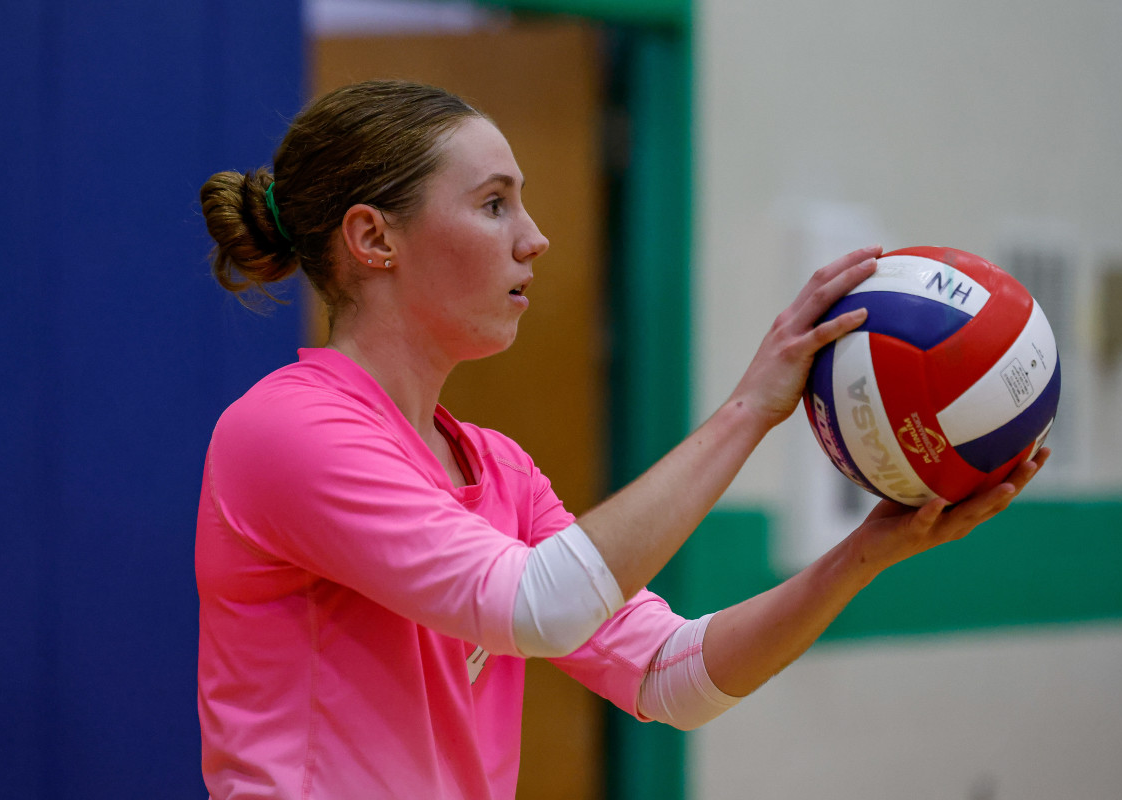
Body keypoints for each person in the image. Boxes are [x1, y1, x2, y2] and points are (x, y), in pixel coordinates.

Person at [196, 79, 1047, 800]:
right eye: (494, 203)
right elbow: (539, 605)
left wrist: (863, 553)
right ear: (374, 238)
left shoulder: (497, 468)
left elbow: (671, 677)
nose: (535, 237)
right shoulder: (287, 431)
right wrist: (750, 409)